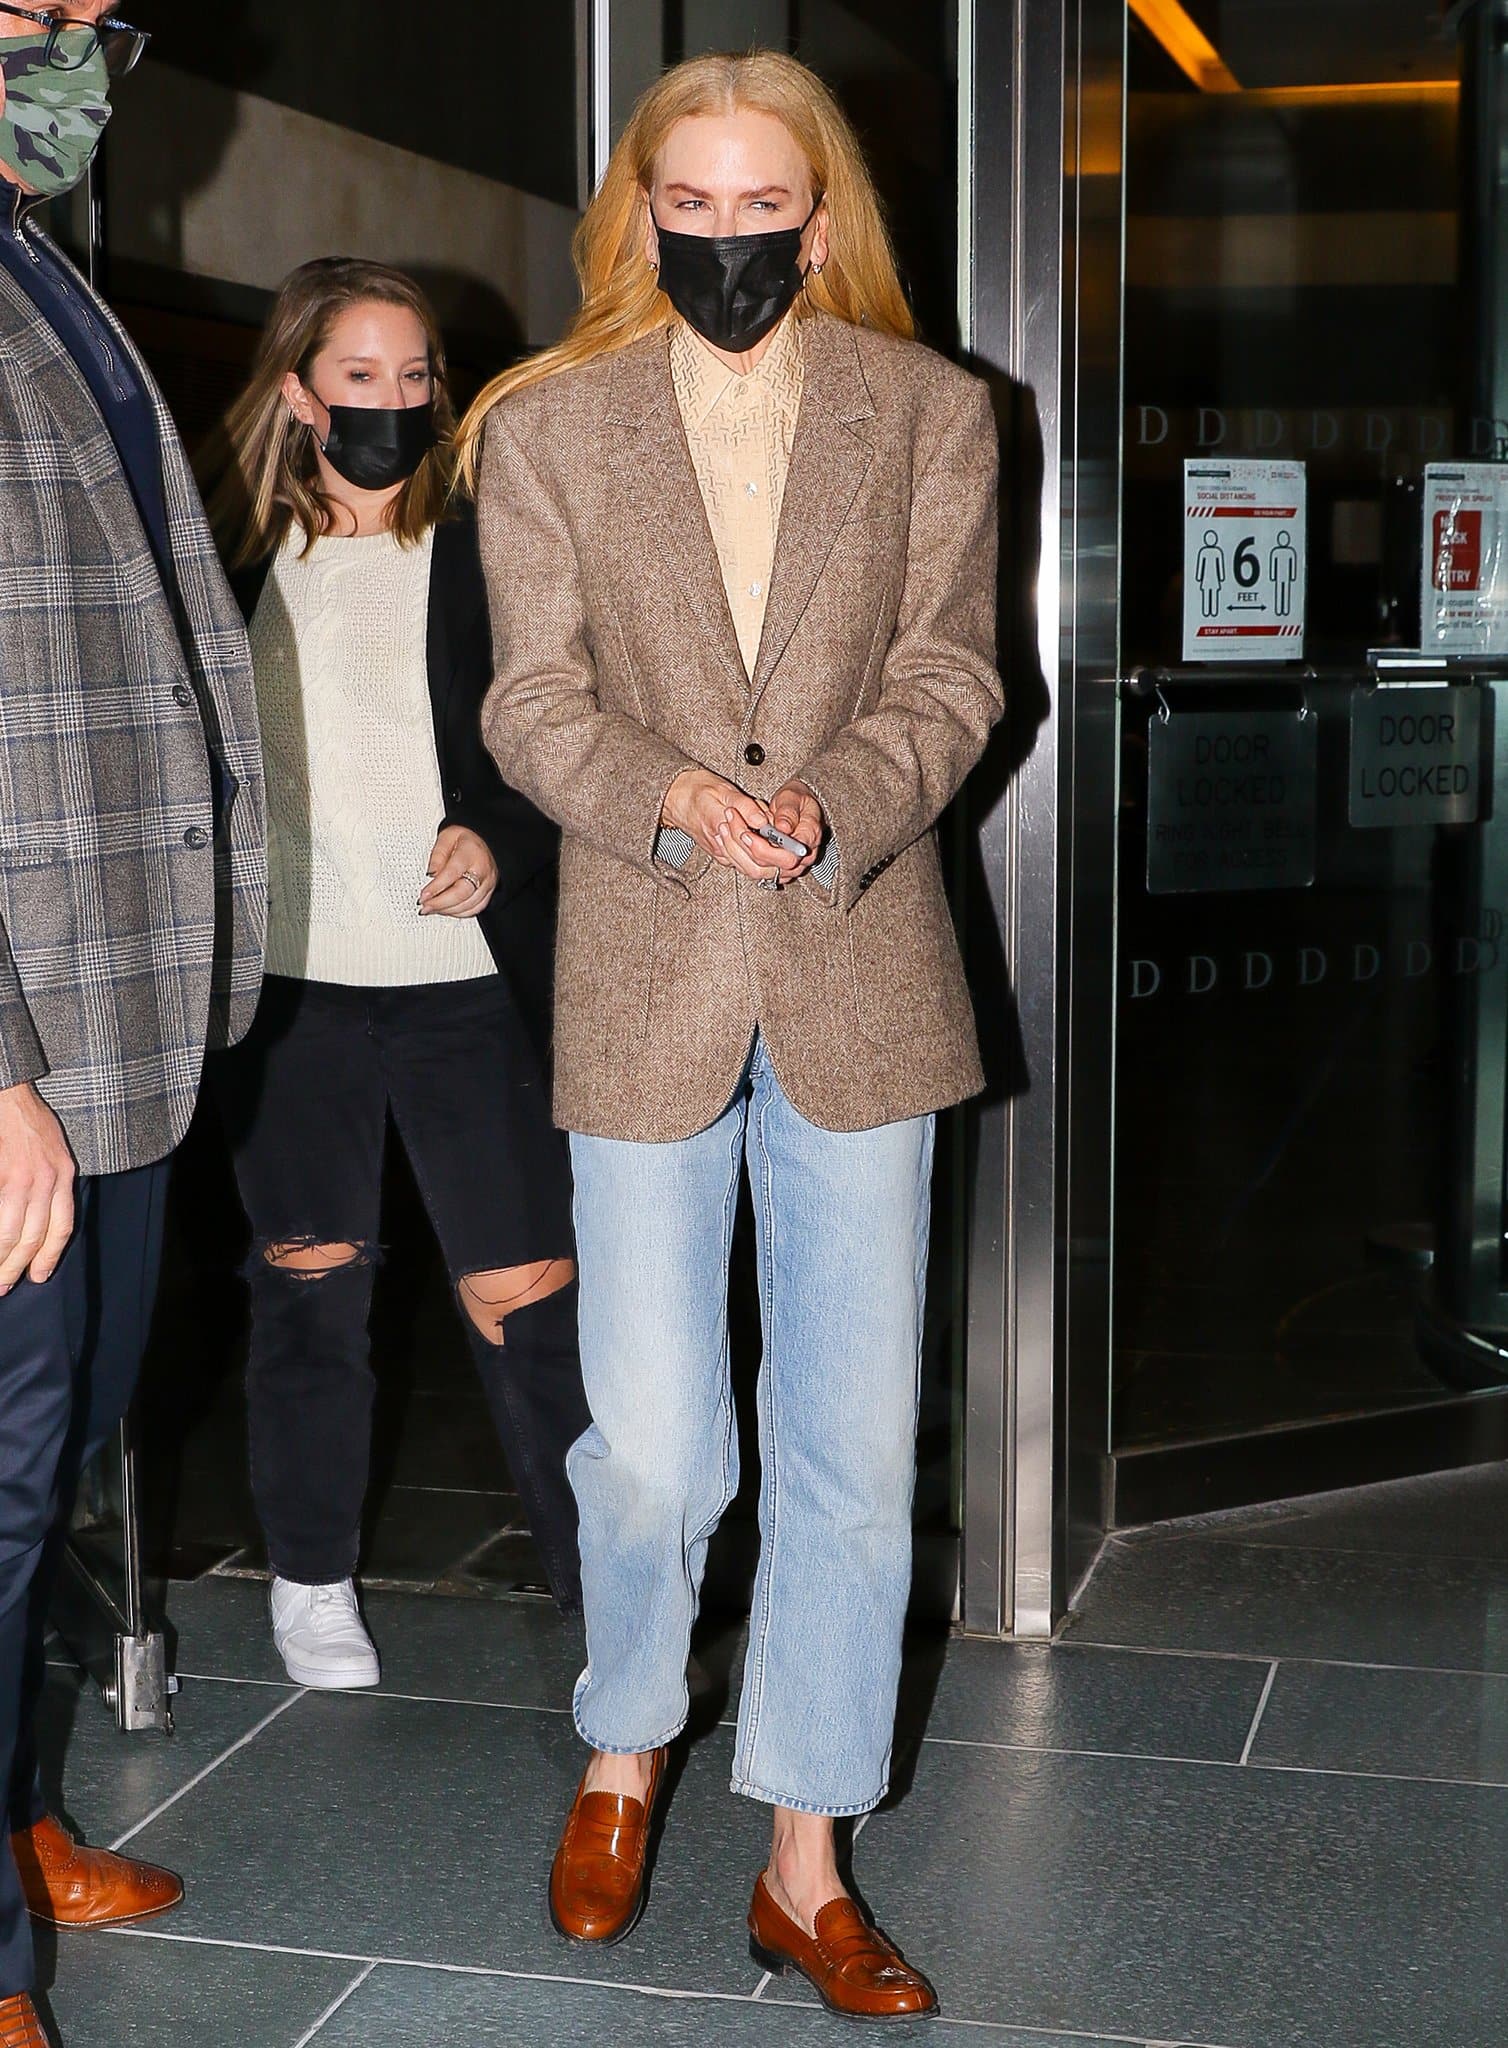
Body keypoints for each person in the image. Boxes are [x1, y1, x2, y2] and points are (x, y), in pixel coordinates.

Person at [461, 48, 1001, 2024]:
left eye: (754, 205)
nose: (719, 238)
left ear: (819, 213)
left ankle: (804, 1855)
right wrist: (680, 795)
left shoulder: (936, 413)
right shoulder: (548, 428)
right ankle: (626, 1735)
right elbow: (529, 704)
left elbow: (956, 668)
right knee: (660, 1444)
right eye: (680, 206)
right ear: (636, 215)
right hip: (646, 963)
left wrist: (838, 802)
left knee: (851, 1453)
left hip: (863, 968)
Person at [201, 259, 588, 1689]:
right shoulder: (222, 554)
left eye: (417, 375)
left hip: (466, 991)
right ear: (298, 392)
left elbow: (566, 736)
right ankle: (309, 1582)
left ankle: (598, 1585)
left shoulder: (490, 548)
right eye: (361, 377)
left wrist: (496, 832)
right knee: (311, 1293)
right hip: (291, 995)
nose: (396, 401)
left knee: (528, 1293)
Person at [0, 7, 267, 2043]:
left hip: (122, 1010)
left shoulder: (36, 258)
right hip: (23, 1041)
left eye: (101, 24)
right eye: (29, 20)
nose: (79, 61)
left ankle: (9, 1818)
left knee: (64, 1450)